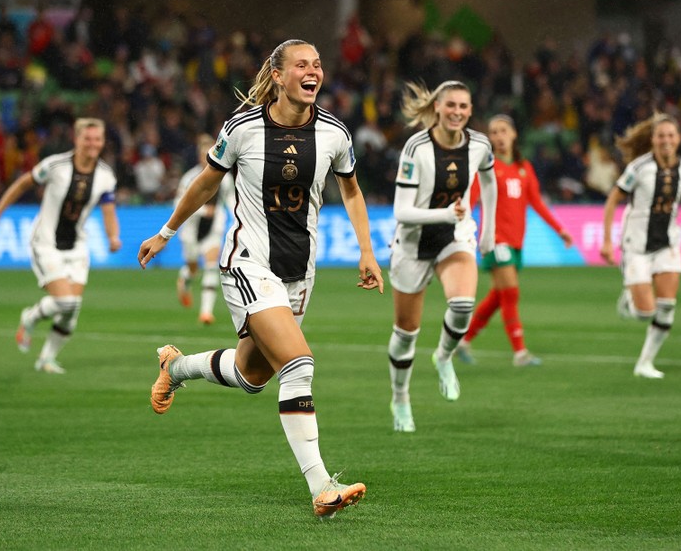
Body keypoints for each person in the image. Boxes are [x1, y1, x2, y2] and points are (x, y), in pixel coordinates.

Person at [137, 39, 383, 519]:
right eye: (301, 64)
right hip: (249, 262)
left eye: (317, 63)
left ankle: (177, 368)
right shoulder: (243, 128)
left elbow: (351, 192)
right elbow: (207, 182)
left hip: (299, 270)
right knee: (299, 363)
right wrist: (167, 232)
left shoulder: (334, 133)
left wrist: (367, 252)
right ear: (277, 75)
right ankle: (321, 486)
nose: (313, 71)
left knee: (253, 376)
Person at [385, 81, 497, 433]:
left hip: (455, 237)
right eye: (451, 105)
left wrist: (489, 230)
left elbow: (490, 182)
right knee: (406, 332)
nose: (458, 112)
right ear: (437, 107)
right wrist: (446, 214)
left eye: (464, 106)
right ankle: (400, 397)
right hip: (413, 242)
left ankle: (444, 357)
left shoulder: (479, 144)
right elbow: (402, 211)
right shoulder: (416, 148)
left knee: (463, 305)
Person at [0, 118, 121, 374]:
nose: (93, 144)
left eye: (97, 139)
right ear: (77, 139)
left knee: (72, 310)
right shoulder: (55, 165)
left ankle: (46, 358)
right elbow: (23, 183)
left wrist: (113, 236)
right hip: (45, 242)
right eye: (87, 138)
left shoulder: (105, 176)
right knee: (66, 303)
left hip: (77, 245)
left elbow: (109, 211)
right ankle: (31, 316)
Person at [601, 113, 681, 379]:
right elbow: (612, 201)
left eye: (670, 135)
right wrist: (607, 240)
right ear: (652, 139)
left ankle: (645, 363)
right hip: (636, 246)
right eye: (661, 135)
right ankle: (630, 299)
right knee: (646, 313)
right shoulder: (638, 168)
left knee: (667, 306)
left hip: (667, 244)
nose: (666, 140)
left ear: (678, 139)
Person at [456, 115, 573, 367]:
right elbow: (471, 200)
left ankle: (463, 341)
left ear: (514, 134)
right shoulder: (486, 167)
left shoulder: (524, 167)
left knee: (499, 296)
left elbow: (537, 203)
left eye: (503, 131)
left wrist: (560, 229)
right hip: (495, 240)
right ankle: (520, 353)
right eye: (494, 132)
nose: (498, 136)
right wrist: (456, 225)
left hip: (516, 241)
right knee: (511, 292)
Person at [174, 133, 234, 324]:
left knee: (210, 265)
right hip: (191, 230)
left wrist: (238, 218)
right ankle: (185, 279)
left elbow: (232, 201)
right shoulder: (189, 178)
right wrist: (201, 211)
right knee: (193, 267)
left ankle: (206, 312)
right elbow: (179, 203)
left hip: (213, 229)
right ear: (200, 156)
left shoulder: (224, 178)